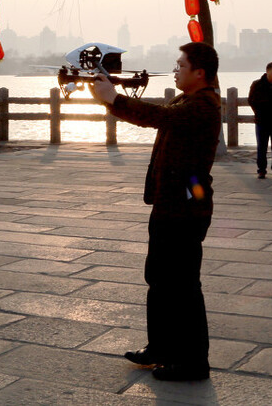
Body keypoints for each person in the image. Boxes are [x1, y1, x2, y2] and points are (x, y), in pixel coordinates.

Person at [92, 42, 221, 382]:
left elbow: (160, 117)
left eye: (181, 65)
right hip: (168, 203)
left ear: (200, 73)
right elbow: (157, 114)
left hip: (187, 208)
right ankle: (161, 347)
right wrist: (112, 93)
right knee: (159, 280)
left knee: (183, 285)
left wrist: (114, 100)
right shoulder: (185, 100)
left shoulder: (205, 105)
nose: (175, 69)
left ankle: (193, 362)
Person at [248, 62, 272, 178]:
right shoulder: (257, 84)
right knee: (262, 146)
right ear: (268, 71)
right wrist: (259, 112)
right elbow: (251, 100)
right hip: (262, 120)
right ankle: (261, 169)